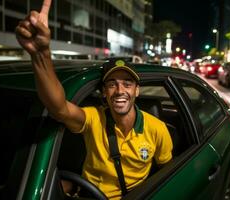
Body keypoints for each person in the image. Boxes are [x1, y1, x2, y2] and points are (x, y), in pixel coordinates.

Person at [15, 8, 173, 200]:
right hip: (87, 193)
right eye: (112, 84)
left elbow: (168, 174)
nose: (120, 90)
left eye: (127, 84)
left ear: (136, 91)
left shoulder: (157, 129)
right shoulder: (94, 117)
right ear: (104, 93)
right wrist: (41, 55)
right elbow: (59, 108)